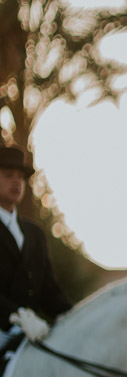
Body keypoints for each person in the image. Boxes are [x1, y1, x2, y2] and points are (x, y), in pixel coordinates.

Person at [0, 145, 73, 353]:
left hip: (31, 333)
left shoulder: (35, 234)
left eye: (20, 178)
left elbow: (49, 291)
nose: (16, 181)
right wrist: (16, 315)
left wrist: (77, 315)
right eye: (8, 175)